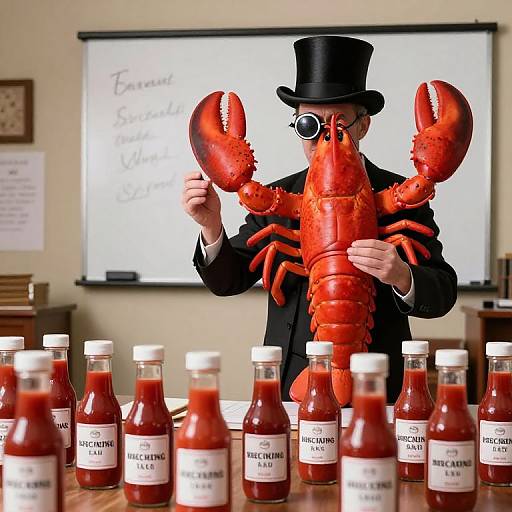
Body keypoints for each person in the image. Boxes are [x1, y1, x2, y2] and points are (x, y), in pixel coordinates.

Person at [182, 36, 457, 402]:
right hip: (293, 387)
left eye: (340, 123)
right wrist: (211, 226)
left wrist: (402, 276)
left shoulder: (403, 194)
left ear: (364, 125)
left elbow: (442, 293)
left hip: (380, 387)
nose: (324, 134)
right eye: (310, 124)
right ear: (296, 127)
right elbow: (228, 281)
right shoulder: (275, 199)